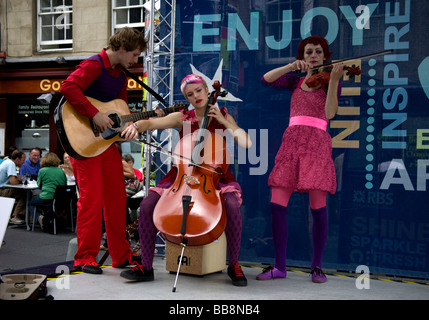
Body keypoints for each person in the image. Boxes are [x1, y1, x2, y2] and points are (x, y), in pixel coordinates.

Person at [119, 74, 252, 287]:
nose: (195, 96)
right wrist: (137, 126)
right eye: (190, 94)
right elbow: (151, 122)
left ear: (208, 90)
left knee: (232, 206)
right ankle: (146, 266)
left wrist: (225, 121)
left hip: (215, 175)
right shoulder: (183, 117)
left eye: (199, 91)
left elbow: (246, 143)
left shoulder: (223, 114)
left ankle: (234, 265)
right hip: (181, 174)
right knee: (146, 205)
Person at [256, 36, 343, 283]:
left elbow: (329, 113)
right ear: (302, 57)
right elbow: (266, 79)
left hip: (316, 143)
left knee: (318, 208)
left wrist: (335, 80)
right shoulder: (295, 80)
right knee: (276, 205)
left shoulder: (329, 80)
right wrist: (289, 66)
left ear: (325, 56)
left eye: (318, 52)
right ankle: (280, 266)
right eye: (308, 52)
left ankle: (317, 266)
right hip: (292, 141)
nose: (313, 55)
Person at [59, 27, 146, 274]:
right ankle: (85, 258)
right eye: (135, 54)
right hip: (83, 143)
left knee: (117, 199)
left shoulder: (119, 73)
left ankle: (120, 255)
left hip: (105, 144)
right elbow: (68, 87)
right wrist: (95, 114)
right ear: (122, 48)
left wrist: (130, 123)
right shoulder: (94, 64)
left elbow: (121, 105)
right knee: (91, 199)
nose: (135, 60)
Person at [28, 152, 67, 229]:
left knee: (30, 203)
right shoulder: (61, 171)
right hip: (59, 199)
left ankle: (40, 218)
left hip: (46, 197)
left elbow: (39, 184)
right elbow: (64, 184)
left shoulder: (42, 170)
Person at [0, 150, 27, 224]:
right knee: (24, 193)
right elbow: (13, 182)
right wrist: (20, 181)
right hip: (2, 190)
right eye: (23, 160)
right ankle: (16, 216)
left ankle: (14, 215)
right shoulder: (11, 164)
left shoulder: (6, 161)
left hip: (2, 188)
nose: (24, 162)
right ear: (17, 159)